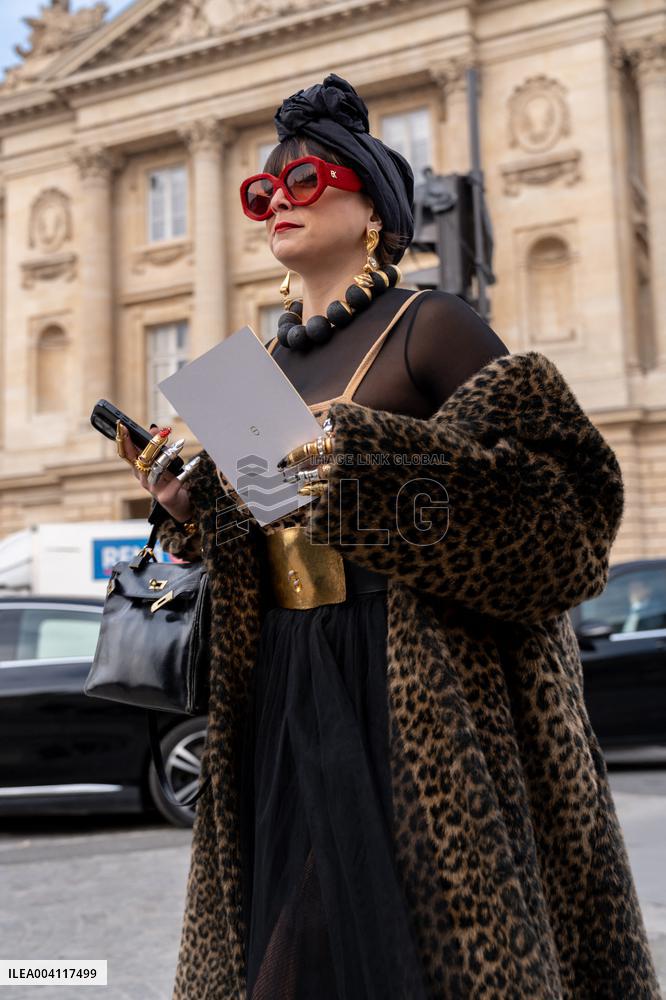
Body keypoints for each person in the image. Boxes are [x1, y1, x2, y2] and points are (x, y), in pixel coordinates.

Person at [116, 75, 660, 1000]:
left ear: (373, 206)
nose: (276, 202)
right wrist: (192, 508)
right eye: (262, 190)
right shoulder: (264, 362)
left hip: (411, 684)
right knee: (296, 945)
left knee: (374, 947)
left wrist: (361, 471)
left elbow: (561, 517)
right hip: (288, 677)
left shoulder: (431, 325)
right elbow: (285, 518)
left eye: (303, 181)